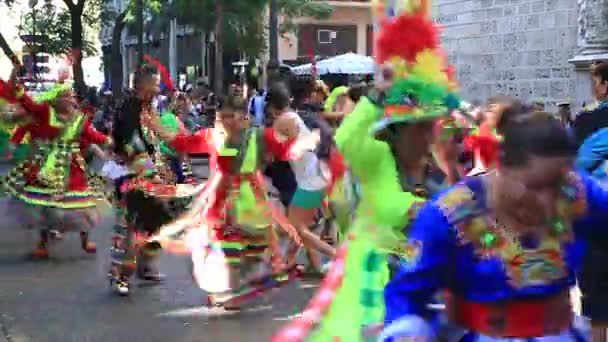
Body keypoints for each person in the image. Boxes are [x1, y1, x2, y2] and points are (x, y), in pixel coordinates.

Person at [272, 4, 462, 340]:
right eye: (419, 127)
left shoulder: (437, 170)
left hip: (423, 280)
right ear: (398, 129)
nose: (428, 133)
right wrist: (377, 94)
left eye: (430, 125)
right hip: (373, 279)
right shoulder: (376, 157)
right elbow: (346, 138)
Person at [381, 111, 605, 341]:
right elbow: (405, 293)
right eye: (534, 186)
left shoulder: (577, 192)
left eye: (557, 185)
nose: (547, 201)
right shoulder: (449, 214)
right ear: (504, 167)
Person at [147, 95, 312, 311]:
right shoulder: (215, 136)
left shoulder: (253, 137)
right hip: (231, 198)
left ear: (244, 117)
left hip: (242, 198)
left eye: (230, 116)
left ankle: (233, 288)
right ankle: (227, 290)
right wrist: (154, 125)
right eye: (221, 117)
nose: (226, 121)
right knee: (226, 249)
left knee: (241, 249)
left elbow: (285, 149)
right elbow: (179, 142)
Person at [0, 65, 111, 258]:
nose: (68, 99)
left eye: (70, 96)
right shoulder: (44, 112)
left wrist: (109, 141)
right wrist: (17, 88)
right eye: (64, 96)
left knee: (81, 205)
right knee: (46, 207)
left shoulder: (78, 119)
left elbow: (92, 135)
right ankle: (42, 244)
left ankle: (85, 240)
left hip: (72, 168)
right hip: (46, 166)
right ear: (54, 99)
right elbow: (28, 103)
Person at [109, 64, 181, 295]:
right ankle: (121, 275)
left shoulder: (147, 108)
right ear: (143, 84)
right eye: (155, 82)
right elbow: (130, 143)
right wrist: (146, 167)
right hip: (132, 176)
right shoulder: (129, 108)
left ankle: (144, 266)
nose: (159, 87)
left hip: (149, 175)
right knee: (131, 226)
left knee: (158, 220)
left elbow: (161, 136)